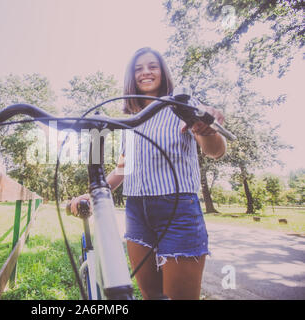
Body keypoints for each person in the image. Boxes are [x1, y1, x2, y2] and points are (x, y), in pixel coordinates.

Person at [69, 47, 226, 300]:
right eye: (138, 68)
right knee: (150, 296)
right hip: (136, 211)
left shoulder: (181, 104)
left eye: (152, 66)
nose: (145, 72)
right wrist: (91, 195)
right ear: (132, 77)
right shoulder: (130, 119)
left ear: (163, 72)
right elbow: (123, 169)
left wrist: (208, 130)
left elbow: (215, 151)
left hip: (177, 210)